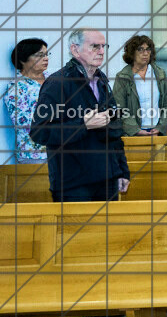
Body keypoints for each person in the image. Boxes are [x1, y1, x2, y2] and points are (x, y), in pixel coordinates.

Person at [30, 28, 130, 201]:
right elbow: (39, 133)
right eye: (94, 46)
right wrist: (83, 125)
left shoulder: (102, 81)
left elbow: (114, 132)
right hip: (74, 184)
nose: (101, 51)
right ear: (75, 50)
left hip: (107, 179)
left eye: (103, 46)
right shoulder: (57, 83)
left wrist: (122, 171)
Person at [112, 35, 167, 136]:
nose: (145, 53)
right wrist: (136, 130)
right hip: (133, 135)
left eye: (148, 50)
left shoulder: (160, 74)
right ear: (132, 53)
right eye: (140, 50)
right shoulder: (122, 78)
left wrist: (160, 127)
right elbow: (120, 108)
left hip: (156, 133)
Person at [3, 38, 50, 164]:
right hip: (34, 156)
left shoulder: (55, 80)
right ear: (23, 59)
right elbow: (25, 123)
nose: (46, 58)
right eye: (40, 55)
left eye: (46, 54)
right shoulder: (16, 88)